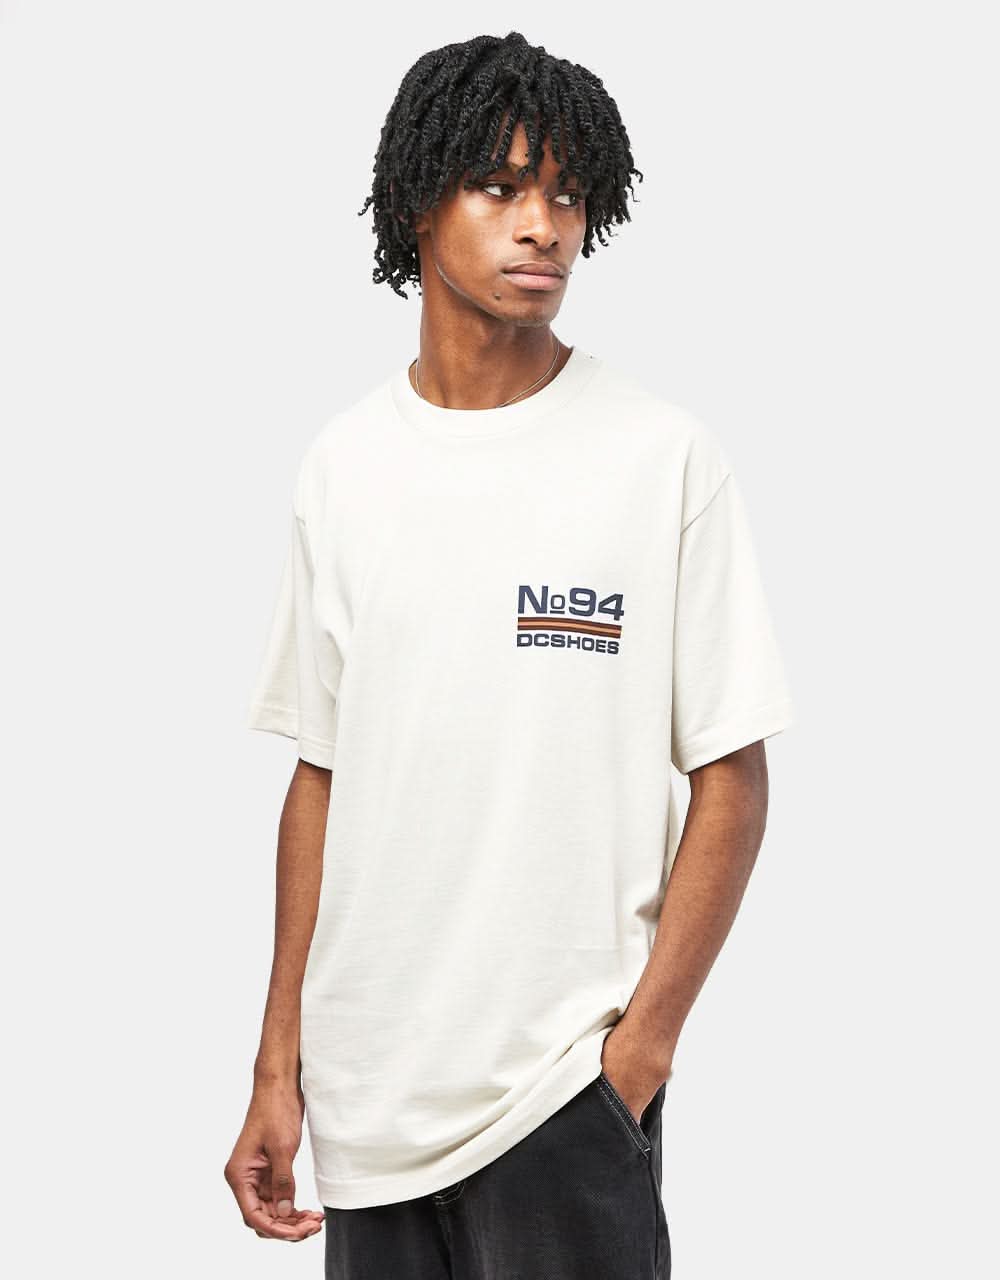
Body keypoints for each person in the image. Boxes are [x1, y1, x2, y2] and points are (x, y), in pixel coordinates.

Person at [224, 29, 795, 1280]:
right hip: (368, 1111)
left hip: (561, 1103)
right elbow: (319, 777)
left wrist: (634, 1060)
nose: (543, 226)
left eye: (568, 195)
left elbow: (733, 780)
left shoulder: (658, 458)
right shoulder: (345, 467)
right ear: (416, 204)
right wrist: (278, 1068)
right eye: (500, 187)